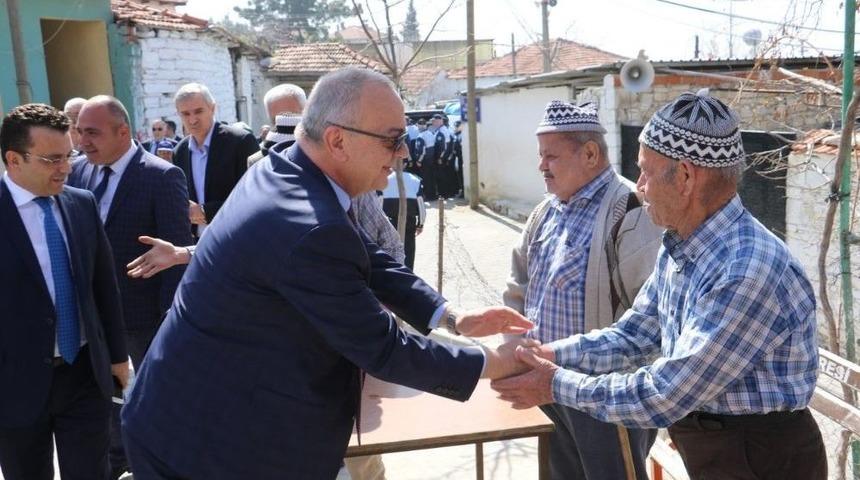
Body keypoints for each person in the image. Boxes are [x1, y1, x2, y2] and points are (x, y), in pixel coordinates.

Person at [121, 67, 534, 480]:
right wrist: (496, 362)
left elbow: (364, 254)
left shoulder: (291, 172)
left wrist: (449, 316)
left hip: (220, 422)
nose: (403, 154)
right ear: (337, 140)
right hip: (211, 449)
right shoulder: (307, 221)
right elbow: (386, 349)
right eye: (393, 140)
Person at [492, 90, 827, 480]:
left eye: (647, 172)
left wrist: (555, 384)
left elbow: (666, 393)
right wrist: (550, 353)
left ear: (684, 177)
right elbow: (634, 335)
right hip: (716, 447)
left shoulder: (747, 269)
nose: (639, 186)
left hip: (759, 460)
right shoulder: (683, 243)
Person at [501, 101, 662, 480]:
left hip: (604, 398)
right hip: (545, 386)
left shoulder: (630, 208)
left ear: (590, 154)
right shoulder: (546, 210)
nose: (542, 166)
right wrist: (514, 347)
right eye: (541, 156)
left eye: (551, 156)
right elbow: (518, 286)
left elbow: (651, 315)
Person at [0, 103, 129, 480]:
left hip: (83, 374)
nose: (66, 168)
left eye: (67, 156)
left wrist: (118, 358)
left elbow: (104, 286)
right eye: (51, 159)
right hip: (15, 383)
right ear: (14, 159)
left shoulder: (80, 204)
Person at [68, 95, 192, 479]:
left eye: (92, 132)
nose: (82, 141)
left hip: (143, 321)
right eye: (79, 131)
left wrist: (169, 323)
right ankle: (116, 463)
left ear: (123, 132)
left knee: (149, 405)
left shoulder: (161, 176)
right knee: (106, 402)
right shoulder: (79, 173)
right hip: (93, 319)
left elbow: (172, 255)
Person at [172, 82, 259, 238]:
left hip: (236, 239)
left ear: (213, 108)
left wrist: (206, 211)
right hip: (196, 244)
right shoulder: (180, 151)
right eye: (185, 114)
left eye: (198, 111)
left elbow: (254, 195)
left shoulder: (241, 141)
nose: (192, 120)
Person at [248, 82, 308, 165]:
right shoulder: (258, 161)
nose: (283, 124)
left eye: (290, 117)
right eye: (277, 120)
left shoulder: (324, 154)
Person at [380, 170, 425, 269]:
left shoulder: (384, 178)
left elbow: (379, 202)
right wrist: (420, 224)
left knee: (389, 250)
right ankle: (407, 275)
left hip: (388, 222)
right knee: (408, 251)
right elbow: (421, 204)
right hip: (409, 222)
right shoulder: (415, 180)